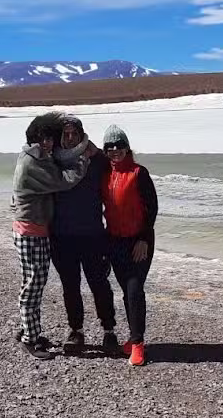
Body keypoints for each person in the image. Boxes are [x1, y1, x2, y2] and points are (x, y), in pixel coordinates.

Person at [11, 113, 91, 360]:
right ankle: (30, 339)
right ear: (33, 138)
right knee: (34, 285)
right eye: (42, 139)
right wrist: (83, 159)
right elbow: (64, 181)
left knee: (33, 281)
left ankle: (29, 329)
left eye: (50, 138)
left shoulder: (37, 157)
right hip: (30, 231)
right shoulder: (32, 163)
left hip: (34, 228)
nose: (47, 143)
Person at [50, 114, 118, 355]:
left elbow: (118, 172)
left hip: (92, 235)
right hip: (61, 236)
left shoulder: (96, 159)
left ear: (81, 135)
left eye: (74, 134)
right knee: (70, 286)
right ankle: (76, 331)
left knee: (99, 284)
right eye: (66, 134)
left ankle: (109, 330)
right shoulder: (53, 161)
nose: (70, 138)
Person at [101, 124, 158, 367]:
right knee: (126, 291)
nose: (115, 150)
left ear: (127, 148)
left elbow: (152, 207)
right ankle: (134, 337)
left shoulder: (138, 173)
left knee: (135, 290)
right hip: (115, 241)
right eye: (110, 147)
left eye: (119, 146)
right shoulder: (105, 174)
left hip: (139, 242)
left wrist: (143, 239)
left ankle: (137, 344)